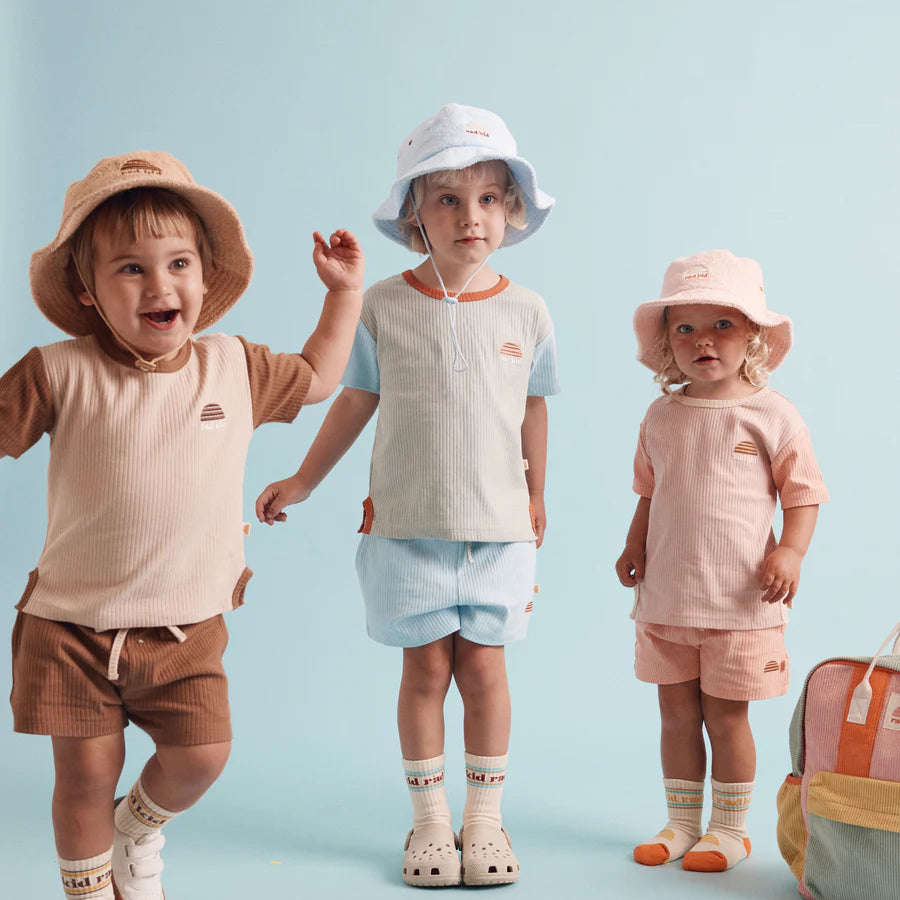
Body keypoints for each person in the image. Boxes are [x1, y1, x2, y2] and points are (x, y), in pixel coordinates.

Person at [2, 150, 363, 899]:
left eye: (178, 264)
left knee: (201, 756)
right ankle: (88, 888)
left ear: (203, 277)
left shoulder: (234, 367)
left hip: (185, 627)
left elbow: (323, 377)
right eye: (130, 269)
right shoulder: (56, 370)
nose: (160, 285)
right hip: (72, 626)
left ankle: (134, 828)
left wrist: (344, 294)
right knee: (83, 777)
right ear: (89, 290)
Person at [256, 103, 559, 887]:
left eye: (489, 198)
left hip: (497, 531)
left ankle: (483, 818)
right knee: (424, 673)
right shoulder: (383, 306)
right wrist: (303, 480)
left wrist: (538, 497)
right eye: (449, 199)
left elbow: (533, 406)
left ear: (512, 210)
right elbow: (356, 400)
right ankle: (429, 823)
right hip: (406, 527)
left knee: (486, 672)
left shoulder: (527, 311)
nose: (471, 216)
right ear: (414, 213)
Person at [615, 249, 828, 872]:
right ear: (668, 342)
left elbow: (804, 493)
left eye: (722, 325)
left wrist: (790, 550)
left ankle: (730, 829)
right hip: (666, 599)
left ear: (753, 337)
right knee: (675, 713)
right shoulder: (662, 415)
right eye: (686, 328)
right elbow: (650, 492)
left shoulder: (772, 414)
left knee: (726, 717)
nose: (703, 341)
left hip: (740, 603)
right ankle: (682, 822)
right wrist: (634, 544)